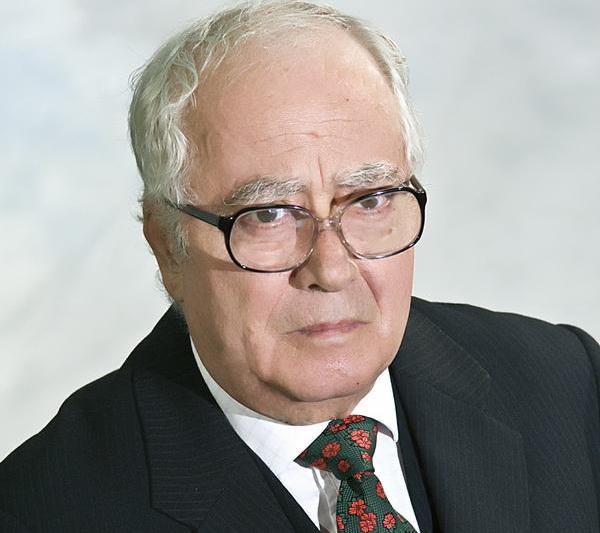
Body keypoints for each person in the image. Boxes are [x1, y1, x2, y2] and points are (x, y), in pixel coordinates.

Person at [1, 1, 598, 532]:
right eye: (268, 215)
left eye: (369, 200)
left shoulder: (570, 385)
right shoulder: (39, 511)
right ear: (166, 244)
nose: (331, 270)